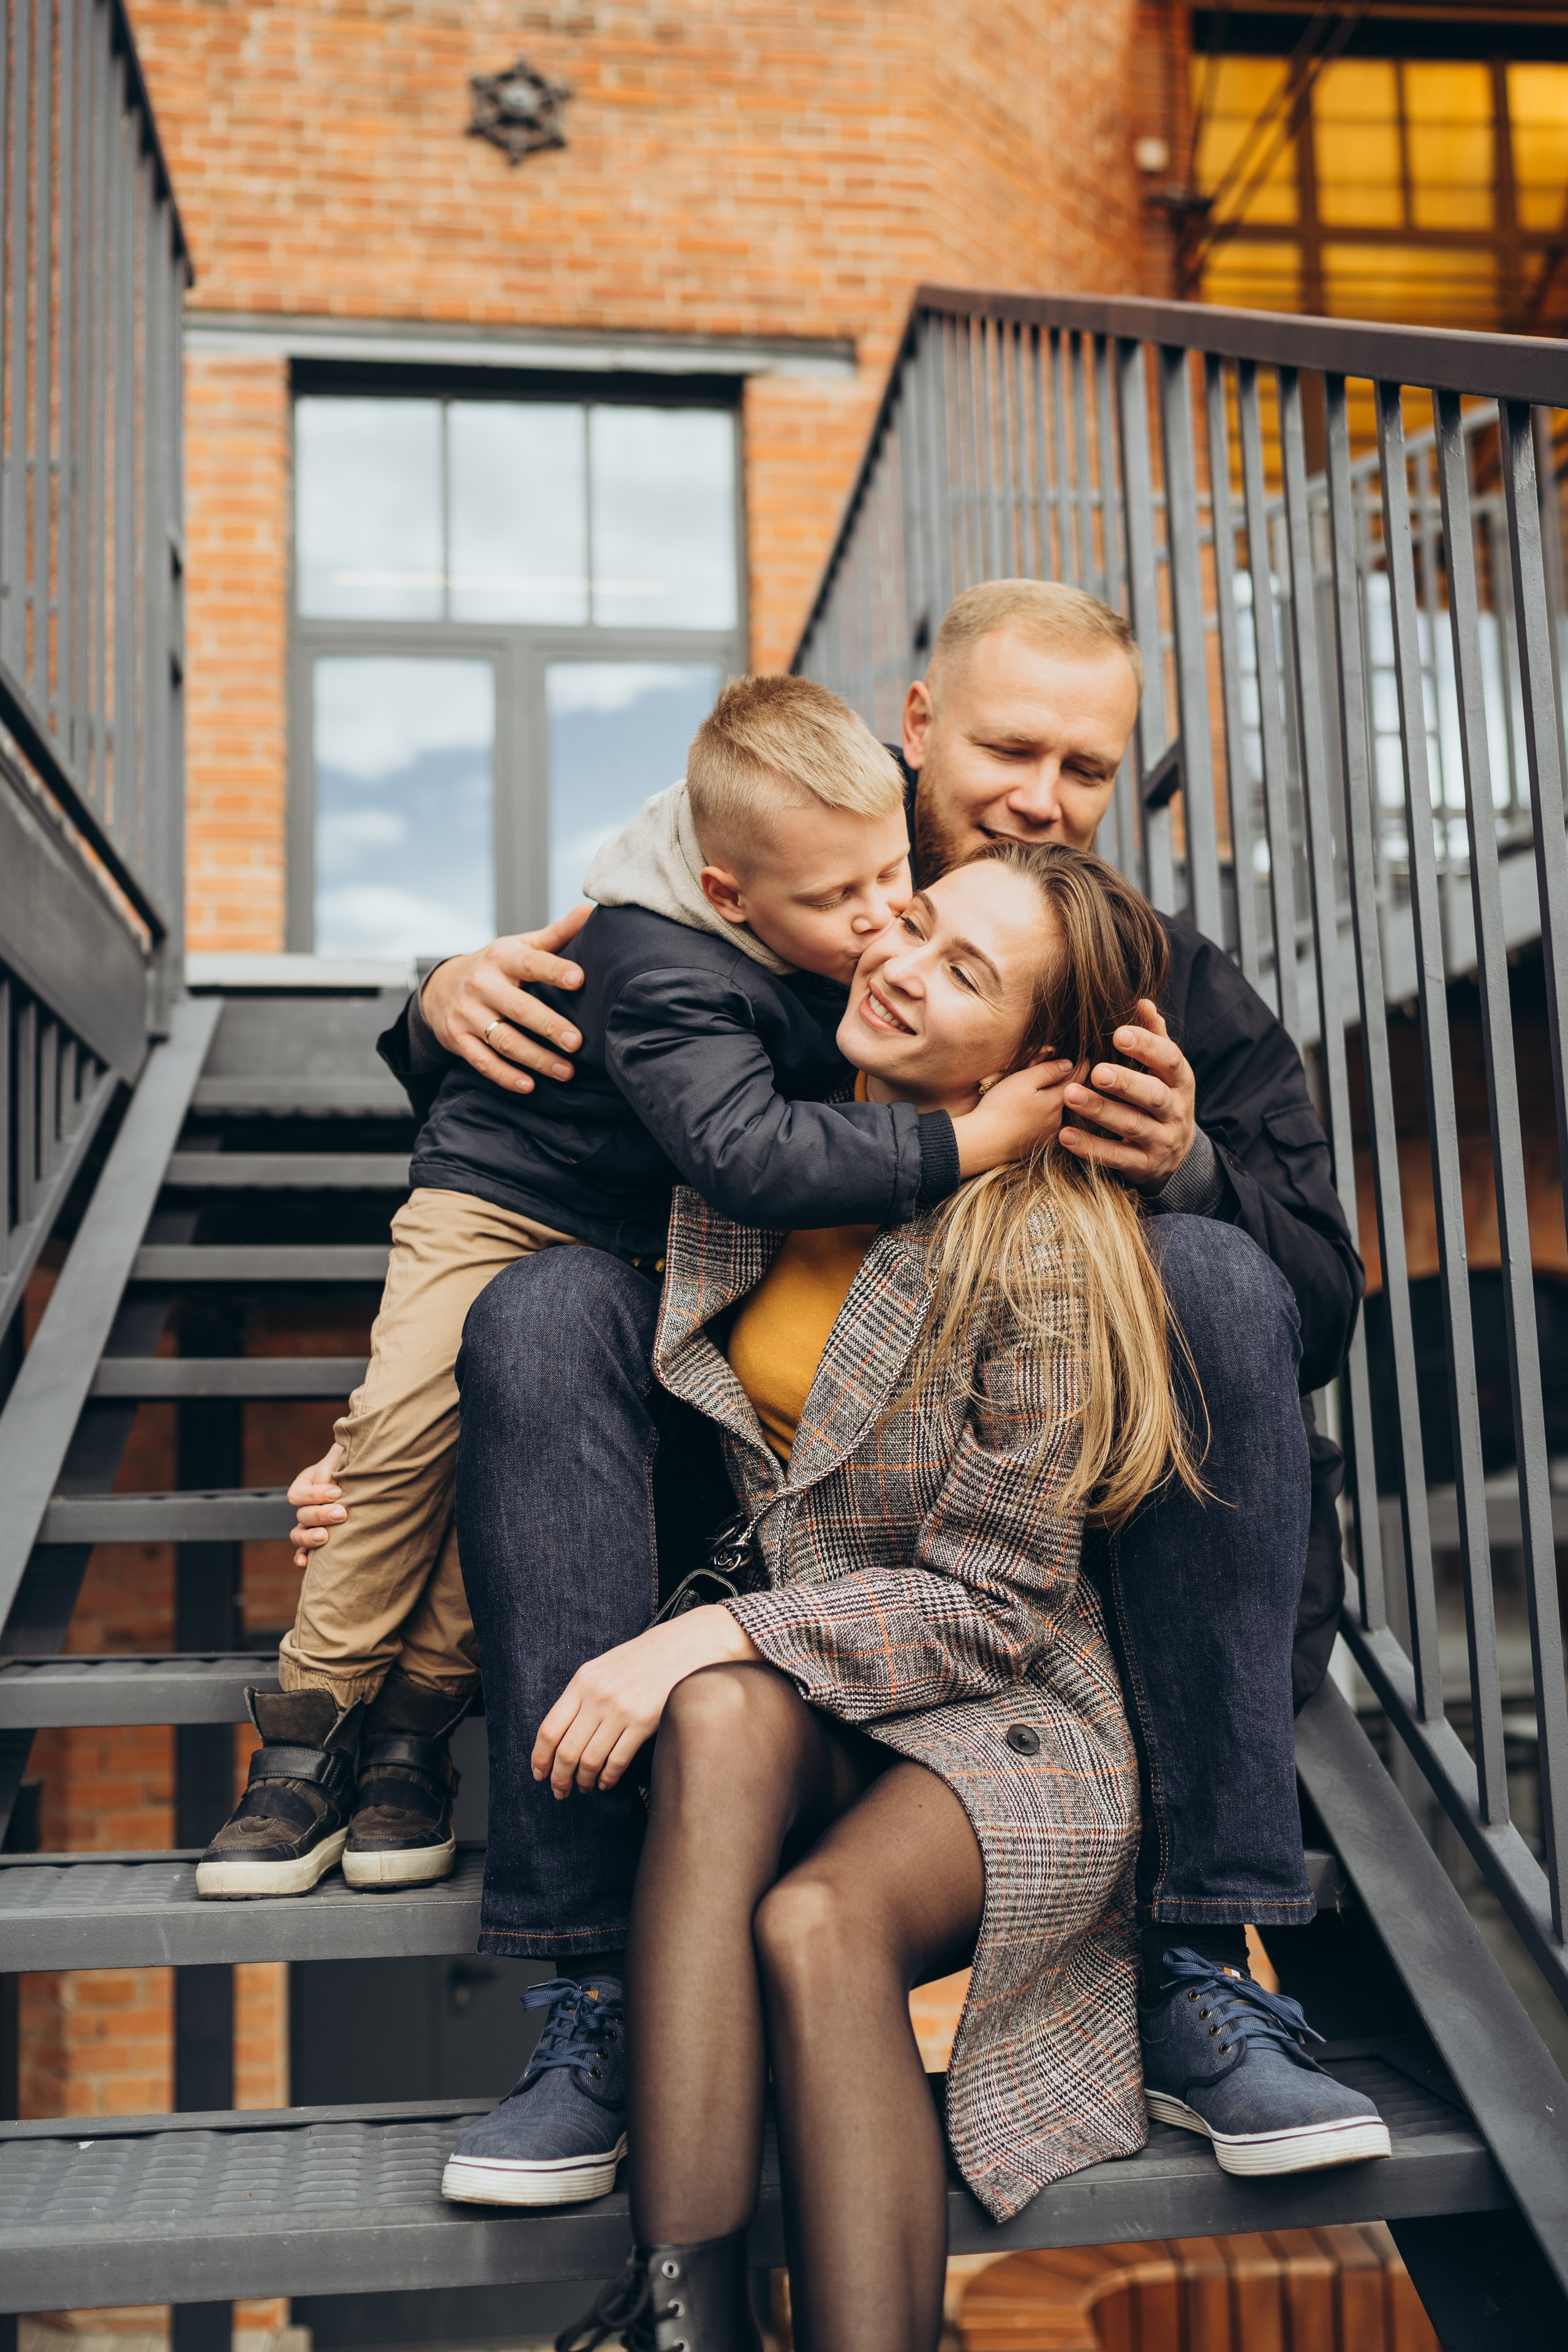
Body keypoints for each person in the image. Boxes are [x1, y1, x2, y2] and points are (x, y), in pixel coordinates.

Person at [366, 579, 1368, 2187]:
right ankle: (592, 1987)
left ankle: (1202, 1959)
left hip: (1032, 1584)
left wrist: (1186, 1171)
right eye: (1008, 746)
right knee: (540, 1314)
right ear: (917, 724)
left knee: (1215, 1270)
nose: (1044, 797)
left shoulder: (1164, 984)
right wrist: (425, 1012)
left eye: (1089, 770)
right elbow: (571, 1071)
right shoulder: (777, 910)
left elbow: (1313, 1311)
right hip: (753, 1527)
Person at [447, 846, 1385, 2340]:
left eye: (963, 974)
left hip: (1015, 1717)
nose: (898, 961)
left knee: (814, 1919)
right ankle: (681, 2318)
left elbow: (996, 1607)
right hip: (831, 1692)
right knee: (713, 1725)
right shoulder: (756, 1160)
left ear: (1037, 1060)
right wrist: (433, 999)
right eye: (918, 926)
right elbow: (499, 1149)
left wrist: (704, 1628)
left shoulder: (1048, 1243)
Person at [197, 676, 1063, 1901]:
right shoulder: (672, 962)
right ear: (727, 894)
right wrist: (962, 1145)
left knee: (502, 1432)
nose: (879, 925)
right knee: (399, 1444)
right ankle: (303, 1743)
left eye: (894, 883)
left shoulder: (839, 841)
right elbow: (752, 1157)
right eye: (838, 901)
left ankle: (412, 1737)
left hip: (625, 1246)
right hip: (504, 1204)